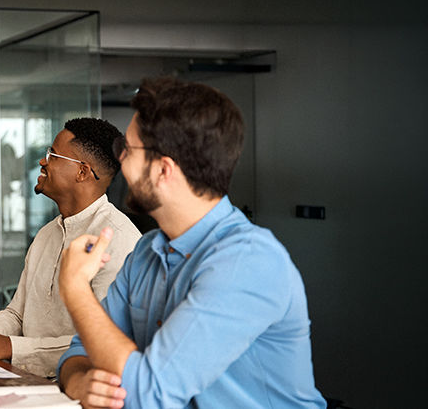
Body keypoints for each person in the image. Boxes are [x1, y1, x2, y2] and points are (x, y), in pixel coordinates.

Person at [57, 78, 326, 408]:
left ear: (163, 170)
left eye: (126, 149)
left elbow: (149, 393)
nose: (120, 161)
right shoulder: (147, 251)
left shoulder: (248, 261)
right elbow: (78, 352)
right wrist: (81, 380)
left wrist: (75, 289)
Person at [0, 118, 141, 378]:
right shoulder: (47, 234)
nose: (43, 162)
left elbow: (97, 342)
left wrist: (8, 347)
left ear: (82, 172)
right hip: (21, 377)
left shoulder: (119, 241)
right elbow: (17, 315)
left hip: (76, 387)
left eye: (52, 155)